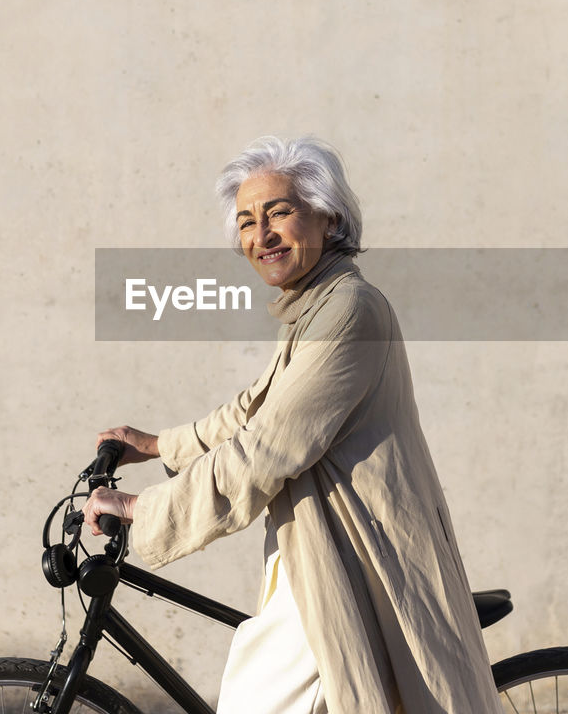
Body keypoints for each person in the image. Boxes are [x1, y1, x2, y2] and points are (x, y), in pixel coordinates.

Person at [82, 136, 500, 714]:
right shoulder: (317, 305)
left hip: (353, 555)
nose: (262, 235)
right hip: (316, 545)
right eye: (248, 222)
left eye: (280, 212)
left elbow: (265, 448)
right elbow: (256, 408)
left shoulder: (349, 311)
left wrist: (141, 510)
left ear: (328, 217)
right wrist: (155, 446)